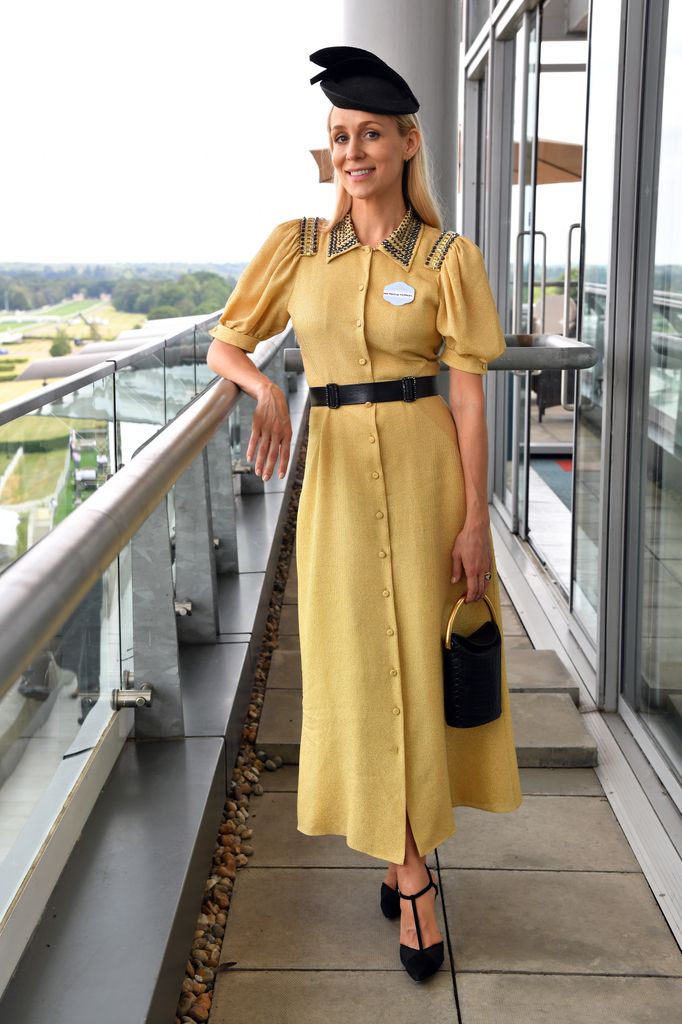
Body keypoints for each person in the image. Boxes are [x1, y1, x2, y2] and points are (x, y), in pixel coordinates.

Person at [206, 45, 523, 984]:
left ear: (406, 143)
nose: (353, 151)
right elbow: (229, 340)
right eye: (340, 137)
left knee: (420, 662)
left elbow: (468, 400)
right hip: (338, 483)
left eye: (370, 134)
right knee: (360, 664)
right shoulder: (298, 246)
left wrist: (476, 521)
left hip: (429, 480)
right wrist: (264, 386)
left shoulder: (445, 258)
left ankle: (410, 864)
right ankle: (405, 854)